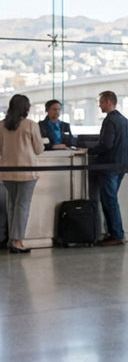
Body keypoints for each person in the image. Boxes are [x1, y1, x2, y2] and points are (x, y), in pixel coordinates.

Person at [0, 94, 45, 253]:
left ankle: (12, 240)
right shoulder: (31, 125)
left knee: (12, 205)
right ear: (26, 108)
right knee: (22, 206)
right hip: (27, 173)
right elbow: (39, 150)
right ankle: (17, 241)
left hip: (6, 172)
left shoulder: (1, 125)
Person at [88, 90, 128, 246]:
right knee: (111, 200)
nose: (99, 105)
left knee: (109, 202)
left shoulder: (109, 121)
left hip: (109, 167)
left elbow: (107, 144)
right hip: (121, 166)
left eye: (101, 102)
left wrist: (89, 150)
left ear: (108, 102)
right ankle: (114, 233)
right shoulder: (124, 120)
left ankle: (116, 234)